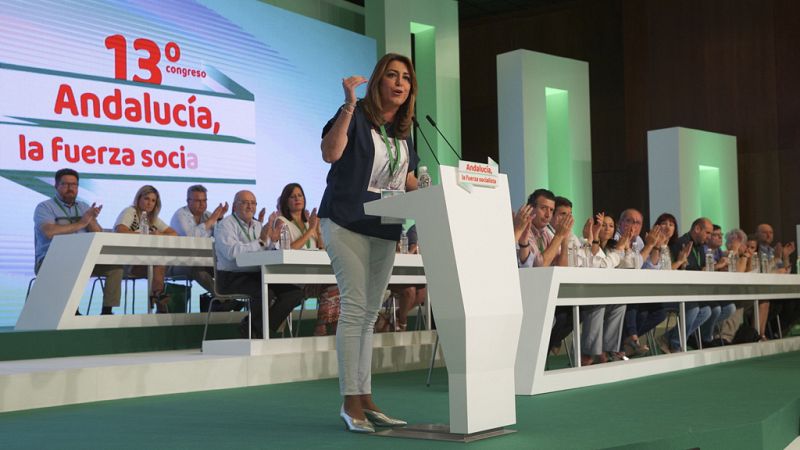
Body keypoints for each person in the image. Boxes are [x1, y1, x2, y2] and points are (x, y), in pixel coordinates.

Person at [319, 53, 419, 433]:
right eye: (391, 75)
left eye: (406, 78)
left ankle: (365, 396)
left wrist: (444, 189)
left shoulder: (405, 131)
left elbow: (409, 180)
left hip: (386, 227)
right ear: (378, 81)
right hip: (346, 221)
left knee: (370, 313)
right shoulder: (356, 115)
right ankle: (350, 402)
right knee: (356, 308)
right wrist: (348, 104)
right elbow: (331, 153)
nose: (399, 83)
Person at [214, 190, 304, 338]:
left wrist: (272, 241)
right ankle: (258, 331)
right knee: (265, 292)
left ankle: (252, 326)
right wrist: (262, 241)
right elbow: (232, 253)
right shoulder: (225, 225)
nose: (250, 206)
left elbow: (263, 249)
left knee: (294, 292)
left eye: (253, 203)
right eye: (244, 202)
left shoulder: (258, 225)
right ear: (234, 206)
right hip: (231, 276)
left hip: (257, 273)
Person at [33, 168, 122, 315]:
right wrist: (81, 223)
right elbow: (49, 232)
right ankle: (72, 312)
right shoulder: (44, 207)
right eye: (65, 184)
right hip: (51, 261)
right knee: (69, 264)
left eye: (74, 185)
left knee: (115, 268)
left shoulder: (83, 207)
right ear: (56, 186)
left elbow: (98, 235)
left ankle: (107, 312)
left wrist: (91, 219)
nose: (70, 188)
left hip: (83, 259)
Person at [114, 185, 178, 313]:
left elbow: (174, 233)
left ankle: (158, 299)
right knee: (158, 263)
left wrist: (160, 234)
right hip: (125, 261)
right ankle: (160, 303)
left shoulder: (152, 218)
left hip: (145, 260)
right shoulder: (130, 211)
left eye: (153, 201)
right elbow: (120, 230)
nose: (150, 203)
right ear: (139, 199)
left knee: (159, 263)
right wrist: (145, 234)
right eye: (147, 199)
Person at [169, 184, 228, 300]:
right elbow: (192, 237)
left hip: (205, 261)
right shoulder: (180, 215)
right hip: (177, 263)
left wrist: (220, 219)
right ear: (188, 201)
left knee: (226, 267)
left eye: (204, 200)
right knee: (195, 267)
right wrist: (212, 220)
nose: (202, 204)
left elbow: (221, 237)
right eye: (198, 201)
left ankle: (227, 300)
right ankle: (222, 299)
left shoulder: (208, 215)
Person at [275, 183, 324, 250]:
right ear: (286, 202)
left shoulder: (308, 224)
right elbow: (287, 251)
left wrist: (318, 230)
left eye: (300, 195)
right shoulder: (282, 221)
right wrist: (311, 230)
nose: (297, 198)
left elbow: (322, 250)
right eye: (292, 196)